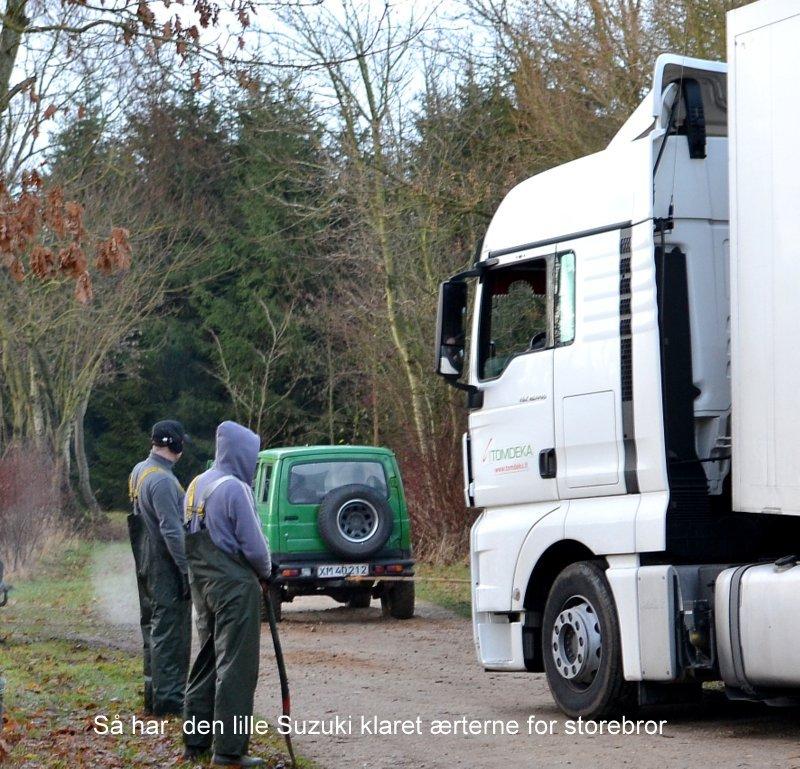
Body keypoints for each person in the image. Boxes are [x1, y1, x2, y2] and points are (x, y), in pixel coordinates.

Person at [182, 420, 271, 767]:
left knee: (205, 659)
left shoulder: (195, 484)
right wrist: (267, 572)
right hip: (233, 586)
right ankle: (229, 752)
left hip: (201, 582)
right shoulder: (234, 488)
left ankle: (196, 741)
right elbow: (254, 546)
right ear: (242, 453)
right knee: (236, 666)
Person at [128, 420, 192, 717]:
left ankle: (153, 696)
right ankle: (169, 702)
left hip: (145, 560)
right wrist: (186, 569)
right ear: (175, 444)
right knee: (169, 632)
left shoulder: (139, 471)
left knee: (152, 628)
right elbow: (172, 531)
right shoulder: (164, 481)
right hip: (164, 564)